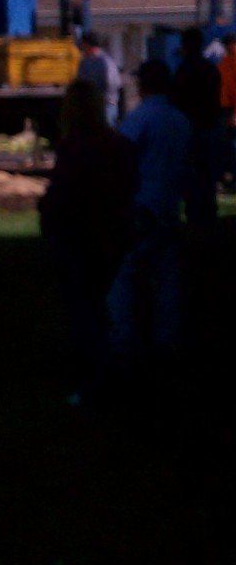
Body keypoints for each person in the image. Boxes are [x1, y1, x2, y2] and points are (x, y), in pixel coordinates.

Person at [39, 79, 137, 398]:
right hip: (113, 234)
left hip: (80, 237)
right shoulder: (119, 145)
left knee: (84, 309)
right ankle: (113, 368)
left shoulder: (74, 147)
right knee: (100, 303)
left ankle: (96, 379)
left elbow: (64, 195)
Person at [110, 60, 192, 370]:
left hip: (142, 203)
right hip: (170, 204)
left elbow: (121, 156)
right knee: (168, 277)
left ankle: (125, 341)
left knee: (127, 274)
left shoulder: (141, 117)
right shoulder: (180, 119)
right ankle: (167, 340)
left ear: (143, 85)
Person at [173, 27, 226, 232]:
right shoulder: (210, 69)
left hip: (190, 132)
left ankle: (195, 223)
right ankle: (209, 223)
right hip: (209, 129)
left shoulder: (183, 70)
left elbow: (177, 101)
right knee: (207, 182)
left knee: (192, 184)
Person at [75, 33, 123, 123]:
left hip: (106, 104)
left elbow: (113, 83)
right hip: (91, 105)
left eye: (83, 45)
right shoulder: (85, 62)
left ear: (87, 45)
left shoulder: (105, 61)